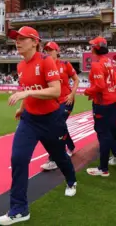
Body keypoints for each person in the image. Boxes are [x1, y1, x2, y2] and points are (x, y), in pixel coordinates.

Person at [0, 26, 77, 226]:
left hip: (51, 120)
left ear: (34, 42)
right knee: (18, 159)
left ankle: (71, 180)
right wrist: (23, 108)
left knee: (59, 156)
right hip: (29, 120)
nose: (17, 41)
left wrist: (26, 95)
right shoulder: (21, 66)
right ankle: (19, 209)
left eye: (22, 38)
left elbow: (56, 91)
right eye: (16, 38)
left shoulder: (46, 61)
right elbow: (27, 89)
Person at [84, 36, 116, 177]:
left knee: (103, 133)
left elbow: (100, 86)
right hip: (111, 100)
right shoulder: (108, 62)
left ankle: (103, 168)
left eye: (92, 46)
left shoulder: (97, 64)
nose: (90, 48)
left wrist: (87, 91)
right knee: (105, 130)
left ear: (96, 48)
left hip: (103, 102)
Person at [41, 41, 80, 171]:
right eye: (46, 50)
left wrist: (72, 94)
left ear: (57, 51)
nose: (48, 53)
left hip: (67, 100)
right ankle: (71, 146)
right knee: (60, 125)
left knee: (56, 127)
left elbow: (76, 79)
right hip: (53, 102)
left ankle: (54, 158)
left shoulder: (65, 64)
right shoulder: (44, 66)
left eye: (51, 50)